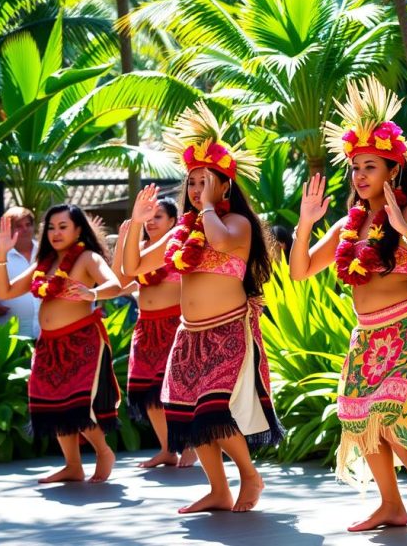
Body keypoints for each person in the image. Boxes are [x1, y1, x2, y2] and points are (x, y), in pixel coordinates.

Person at [289, 78, 407, 532]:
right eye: (354, 168)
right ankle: (391, 505)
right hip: (366, 333)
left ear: (392, 171)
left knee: (388, 415)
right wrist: (306, 224)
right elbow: (300, 269)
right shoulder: (352, 223)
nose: (359, 176)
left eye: (369, 166)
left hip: (405, 327)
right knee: (360, 418)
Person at [124, 102, 283, 513]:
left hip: (227, 328)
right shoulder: (182, 230)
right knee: (189, 417)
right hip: (188, 335)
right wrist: (137, 224)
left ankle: (249, 475)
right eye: (192, 183)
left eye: (206, 182)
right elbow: (133, 268)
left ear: (225, 185)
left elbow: (224, 242)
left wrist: (209, 206)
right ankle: (218, 488)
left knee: (214, 409)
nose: (196, 191)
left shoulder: (238, 225)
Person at [0, 203, 123, 483]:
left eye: (63, 227)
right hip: (49, 343)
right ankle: (72, 466)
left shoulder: (87, 257)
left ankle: (103, 452)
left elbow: (114, 285)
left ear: (78, 230)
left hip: (81, 340)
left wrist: (92, 293)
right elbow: (4, 291)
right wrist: (1, 254)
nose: (56, 232)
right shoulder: (44, 264)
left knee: (76, 405)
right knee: (54, 404)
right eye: (51, 227)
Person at [112, 198, 197, 469]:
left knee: (179, 391)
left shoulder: (179, 247)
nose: (150, 221)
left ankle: (192, 446)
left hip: (173, 325)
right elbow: (119, 282)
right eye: (148, 215)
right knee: (149, 394)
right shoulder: (137, 252)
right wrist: (122, 243)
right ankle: (167, 449)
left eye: (158, 216)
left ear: (173, 221)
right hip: (146, 327)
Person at [0, 207, 40, 338]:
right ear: (9, 229)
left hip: (43, 329)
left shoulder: (44, 251)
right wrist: (1, 247)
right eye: (19, 226)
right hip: (11, 332)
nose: (25, 229)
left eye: (28, 225)